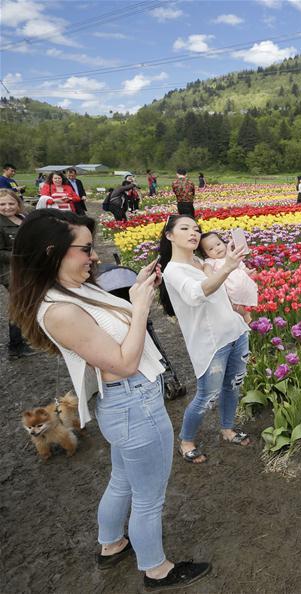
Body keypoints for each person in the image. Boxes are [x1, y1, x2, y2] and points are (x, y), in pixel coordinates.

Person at [8, 209, 211, 591]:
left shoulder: (71, 289)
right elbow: (125, 361)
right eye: (85, 249)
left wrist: (135, 293)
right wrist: (141, 306)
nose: (95, 256)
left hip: (123, 404)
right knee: (149, 497)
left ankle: (112, 544)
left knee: (121, 480)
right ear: (53, 251)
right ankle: (156, 569)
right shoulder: (61, 309)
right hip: (135, 404)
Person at [158, 215, 252, 465]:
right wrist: (227, 267)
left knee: (233, 385)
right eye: (185, 228)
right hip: (211, 343)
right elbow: (196, 294)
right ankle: (186, 441)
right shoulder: (173, 270)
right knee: (207, 396)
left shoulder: (201, 261)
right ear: (169, 236)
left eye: (196, 229)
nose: (193, 233)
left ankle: (228, 429)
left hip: (236, 332)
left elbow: (220, 293)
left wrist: (240, 306)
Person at [0, 188, 34, 359]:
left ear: (18, 204)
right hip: (10, 271)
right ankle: (15, 346)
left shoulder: (23, 218)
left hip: (27, 267)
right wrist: (20, 255)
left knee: (26, 303)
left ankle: (23, 338)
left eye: (11, 203)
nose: (7, 207)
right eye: (2, 204)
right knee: (19, 306)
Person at [198, 232, 258, 323]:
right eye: (211, 249)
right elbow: (207, 270)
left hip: (245, 286)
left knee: (254, 304)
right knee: (242, 312)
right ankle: (249, 325)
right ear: (205, 254)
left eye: (218, 244)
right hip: (231, 294)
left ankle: (256, 321)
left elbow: (242, 268)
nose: (216, 249)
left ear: (224, 243)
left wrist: (249, 272)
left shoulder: (231, 256)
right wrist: (210, 277)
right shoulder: (211, 261)